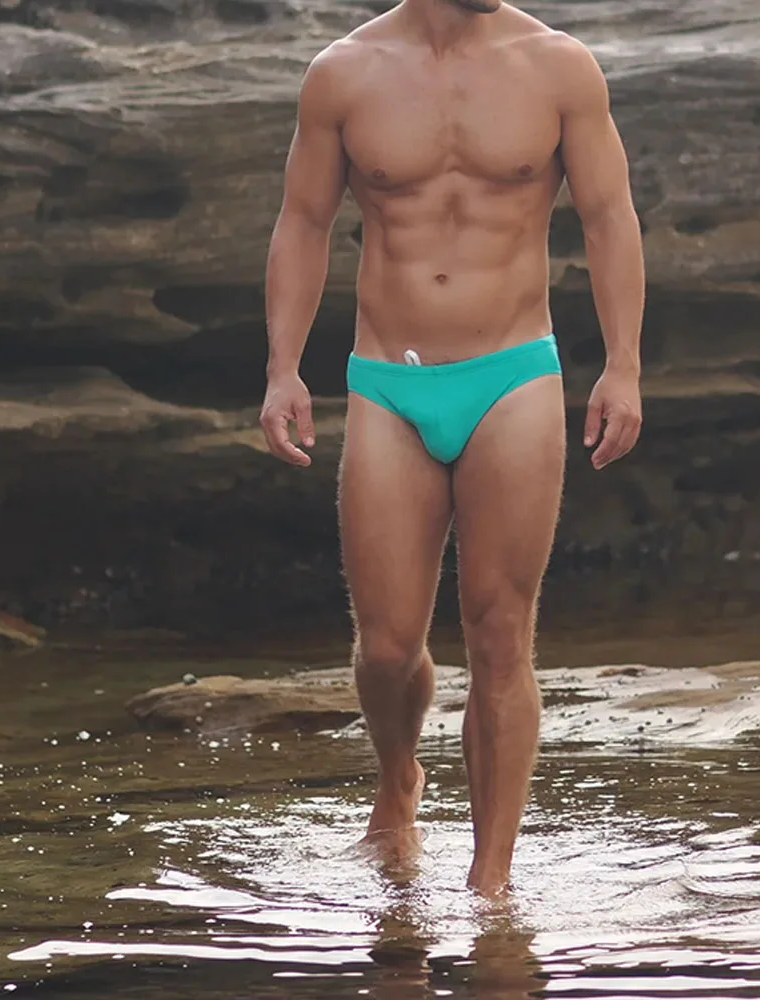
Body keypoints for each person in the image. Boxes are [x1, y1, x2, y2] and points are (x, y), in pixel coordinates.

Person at [260, 0, 645, 896]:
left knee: (500, 634)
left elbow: (609, 215)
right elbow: (303, 221)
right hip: (388, 382)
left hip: (514, 371)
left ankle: (490, 884)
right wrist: (283, 367)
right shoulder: (344, 74)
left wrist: (623, 365)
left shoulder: (558, 65)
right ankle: (399, 779)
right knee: (387, 646)